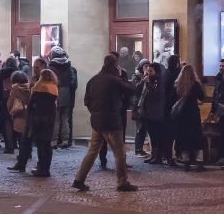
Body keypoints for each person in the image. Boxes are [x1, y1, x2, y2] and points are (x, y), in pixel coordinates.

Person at [71, 53, 138, 193]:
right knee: (119, 153)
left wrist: (96, 112)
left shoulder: (94, 79)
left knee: (92, 151)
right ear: (115, 65)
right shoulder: (114, 80)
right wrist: (121, 76)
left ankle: (79, 179)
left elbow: (87, 101)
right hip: (112, 121)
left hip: (97, 121)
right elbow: (132, 89)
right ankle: (122, 182)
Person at [173, 64, 206, 171]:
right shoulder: (196, 84)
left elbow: (174, 98)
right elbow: (201, 97)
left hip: (182, 115)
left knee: (183, 138)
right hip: (193, 114)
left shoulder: (178, 84)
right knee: (196, 137)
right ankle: (199, 161)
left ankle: (186, 161)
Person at [26, 69, 58, 177]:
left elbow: (31, 105)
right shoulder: (54, 87)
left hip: (39, 119)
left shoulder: (38, 88)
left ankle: (41, 168)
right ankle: (46, 168)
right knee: (47, 145)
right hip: (50, 120)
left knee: (41, 145)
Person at [48, 46, 77, 148]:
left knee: (55, 119)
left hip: (55, 94)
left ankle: (54, 141)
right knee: (65, 119)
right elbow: (73, 83)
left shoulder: (51, 67)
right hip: (67, 95)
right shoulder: (69, 66)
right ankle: (65, 140)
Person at [138, 62, 166, 165]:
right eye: (147, 70)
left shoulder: (159, 81)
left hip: (156, 114)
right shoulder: (150, 80)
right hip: (148, 113)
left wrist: (148, 83)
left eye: (151, 71)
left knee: (157, 136)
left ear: (156, 72)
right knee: (152, 136)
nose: (148, 73)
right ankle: (154, 155)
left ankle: (158, 156)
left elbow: (157, 95)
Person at [161, 55, 182, 166]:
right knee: (171, 134)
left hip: (167, 107)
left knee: (169, 133)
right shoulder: (173, 74)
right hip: (172, 107)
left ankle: (168, 156)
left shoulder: (166, 73)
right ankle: (170, 157)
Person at [5, 71, 30, 159]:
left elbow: (10, 102)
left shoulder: (15, 88)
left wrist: (9, 110)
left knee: (20, 136)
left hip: (19, 113)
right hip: (29, 113)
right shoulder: (31, 86)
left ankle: (22, 154)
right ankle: (28, 153)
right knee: (27, 136)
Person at [0, 59, 19, 153]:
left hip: (5, 99)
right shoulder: (18, 72)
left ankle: (9, 146)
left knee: (7, 122)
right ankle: (15, 144)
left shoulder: (2, 73)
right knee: (16, 122)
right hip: (17, 99)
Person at [130, 59, 150, 157]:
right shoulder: (136, 75)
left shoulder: (149, 75)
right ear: (141, 66)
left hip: (146, 106)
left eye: (148, 66)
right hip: (138, 106)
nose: (146, 68)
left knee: (144, 128)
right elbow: (135, 88)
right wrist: (143, 80)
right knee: (140, 128)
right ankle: (137, 150)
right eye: (145, 66)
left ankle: (140, 149)